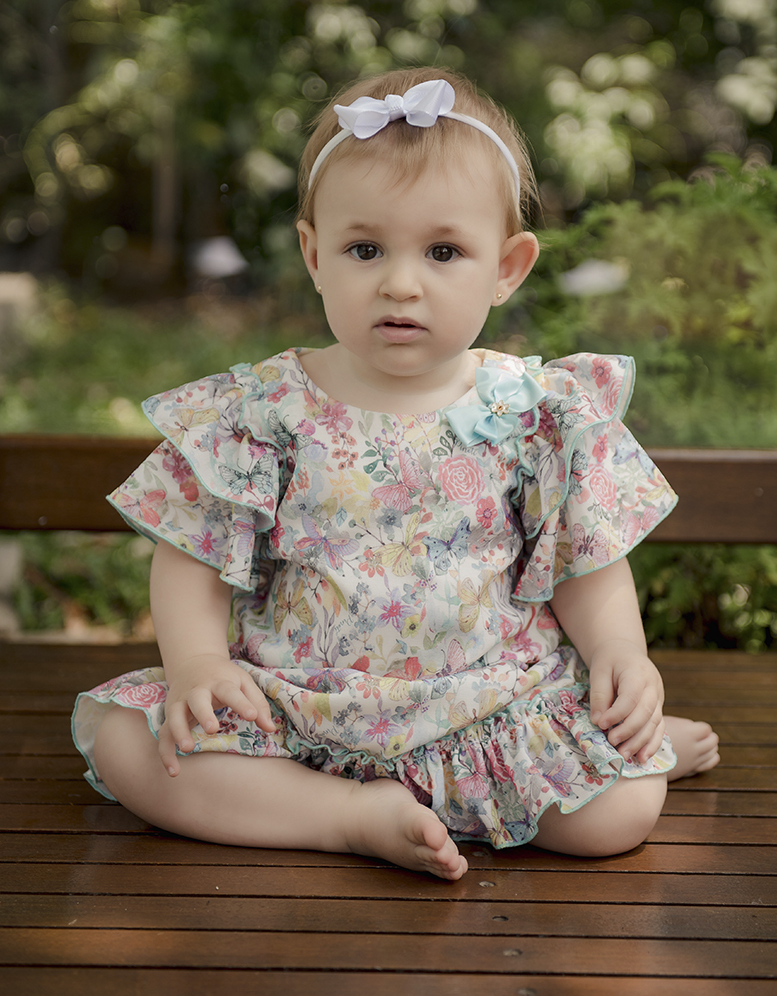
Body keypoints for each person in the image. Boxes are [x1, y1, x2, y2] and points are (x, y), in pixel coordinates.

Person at [74, 66, 719, 882]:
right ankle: (349, 817)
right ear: (315, 254)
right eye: (365, 248)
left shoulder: (535, 409)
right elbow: (194, 552)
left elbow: (580, 557)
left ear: (508, 267)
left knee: (620, 817)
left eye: (444, 251)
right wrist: (198, 665)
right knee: (138, 748)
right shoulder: (264, 410)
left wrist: (621, 653)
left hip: (486, 703)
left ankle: (623, 741)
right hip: (294, 702)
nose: (400, 282)